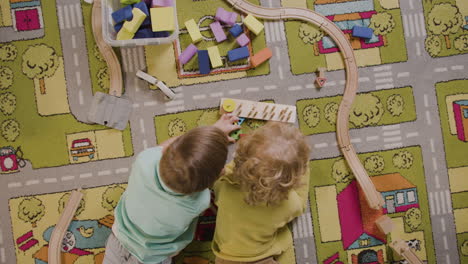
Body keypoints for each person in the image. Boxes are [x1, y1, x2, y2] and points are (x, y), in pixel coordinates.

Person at [104, 114, 240, 264]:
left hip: (119, 236)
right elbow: (212, 177)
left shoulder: (145, 159)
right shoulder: (200, 201)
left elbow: (166, 146)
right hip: (154, 257)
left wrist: (213, 130)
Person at [212, 122, 311, 264]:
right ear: (292, 180)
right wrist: (305, 169)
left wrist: (232, 170)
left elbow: (223, 178)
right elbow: (300, 205)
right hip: (260, 257)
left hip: (225, 255)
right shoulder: (288, 204)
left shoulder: (225, 185)